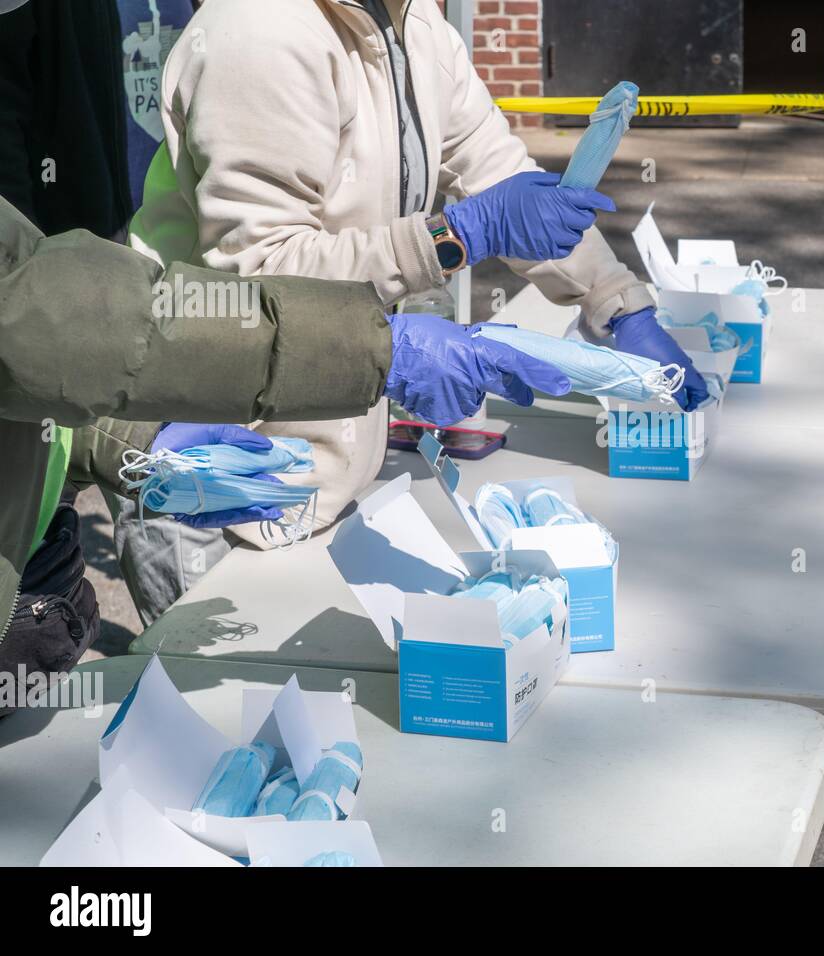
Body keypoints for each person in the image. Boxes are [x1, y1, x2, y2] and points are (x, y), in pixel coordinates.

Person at [123, 0, 710, 620]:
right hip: (214, 468)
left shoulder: (413, 22)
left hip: (320, 452)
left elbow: (494, 170)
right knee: (227, 706)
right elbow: (263, 276)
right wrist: (451, 239)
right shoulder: (263, 30)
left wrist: (616, 304)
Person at [0, 194, 569, 715]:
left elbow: (31, 352)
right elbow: (53, 317)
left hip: (35, 586)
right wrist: (377, 345)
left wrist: (131, 439)